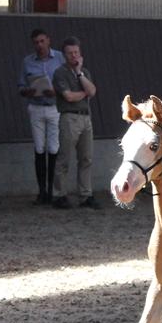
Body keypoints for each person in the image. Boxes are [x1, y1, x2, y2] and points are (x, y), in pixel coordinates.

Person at [52, 36, 99, 209]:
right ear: (64, 55)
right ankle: (59, 194)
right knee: (64, 157)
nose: (74, 56)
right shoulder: (60, 73)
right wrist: (84, 93)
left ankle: (85, 194)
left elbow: (92, 90)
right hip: (69, 116)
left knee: (86, 157)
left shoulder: (84, 72)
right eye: (70, 53)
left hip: (86, 116)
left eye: (76, 52)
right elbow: (68, 96)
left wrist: (80, 74)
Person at [18, 28, 64, 205]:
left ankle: (52, 189)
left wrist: (56, 91)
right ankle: (42, 191)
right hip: (36, 105)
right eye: (36, 42)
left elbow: (66, 81)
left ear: (48, 41)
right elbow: (20, 85)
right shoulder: (27, 61)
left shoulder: (59, 58)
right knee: (39, 147)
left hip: (54, 106)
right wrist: (27, 91)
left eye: (42, 41)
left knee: (53, 147)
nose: (39, 45)